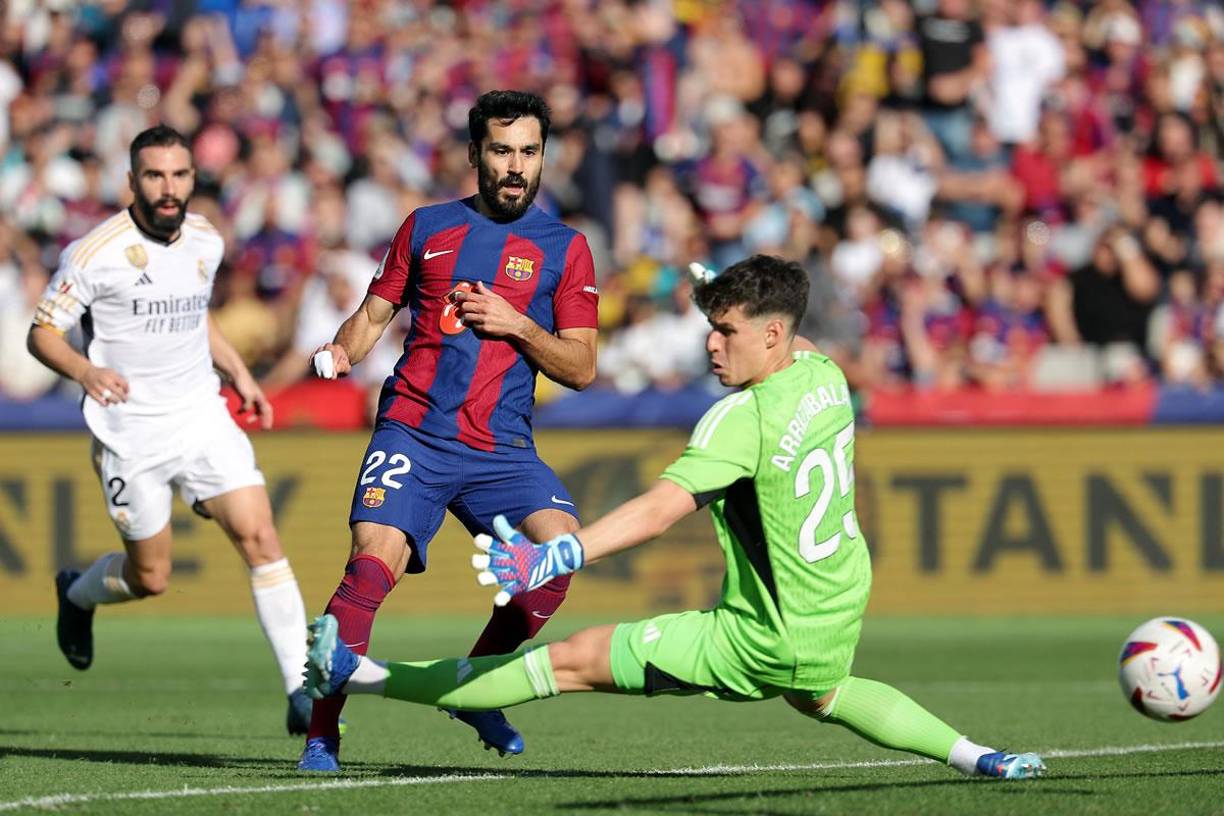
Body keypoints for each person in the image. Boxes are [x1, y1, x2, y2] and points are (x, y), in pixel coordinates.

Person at [302, 255, 1046, 781]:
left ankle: (358, 674)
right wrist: (714, 293)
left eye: (726, 330)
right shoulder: (826, 375)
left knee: (559, 665)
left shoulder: (740, 421)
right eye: (711, 325)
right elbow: (793, 330)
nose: (711, 343)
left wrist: (555, 558)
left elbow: (659, 510)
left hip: (760, 637)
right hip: (836, 610)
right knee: (829, 693)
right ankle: (981, 757)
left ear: (774, 335)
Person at [300, 90, 599, 772]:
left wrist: (518, 324)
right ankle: (322, 733)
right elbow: (372, 318)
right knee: (373, 564)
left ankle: (476, 687)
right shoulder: (426, 228)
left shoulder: (567, 249)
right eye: (501, 151)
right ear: (474, 155)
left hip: (502, 450)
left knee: (560, 557)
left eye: (529, 151)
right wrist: (346, 349)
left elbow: (582, 367)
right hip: (414, 432)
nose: (516, 166)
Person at [28, 125, 315, 735]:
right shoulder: (92, 253)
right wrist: (85, 369)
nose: (169, 188)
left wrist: (239, 373)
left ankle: (301, 688)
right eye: (155, 176)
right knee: (150, 578)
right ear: (131, 182)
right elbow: (42, 333)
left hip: (201, 416)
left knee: (260, 535)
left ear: (192, 179)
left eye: (179, 175)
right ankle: (77, 595)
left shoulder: (205, 240)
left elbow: (195, 314)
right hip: (130, 433)